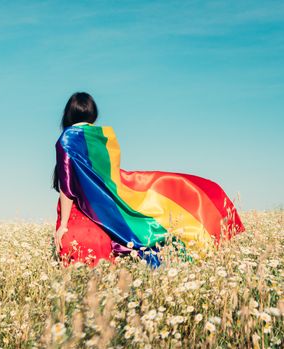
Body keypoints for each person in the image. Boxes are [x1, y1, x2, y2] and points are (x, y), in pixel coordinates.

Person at [53, 92, 244, 268]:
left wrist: (63, 225)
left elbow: (67, 185)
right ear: (93, 112)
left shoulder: (67, 139)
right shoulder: (103, 136)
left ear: (69, 113)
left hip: (86, 206)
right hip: (107, 200)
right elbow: (107, 175)